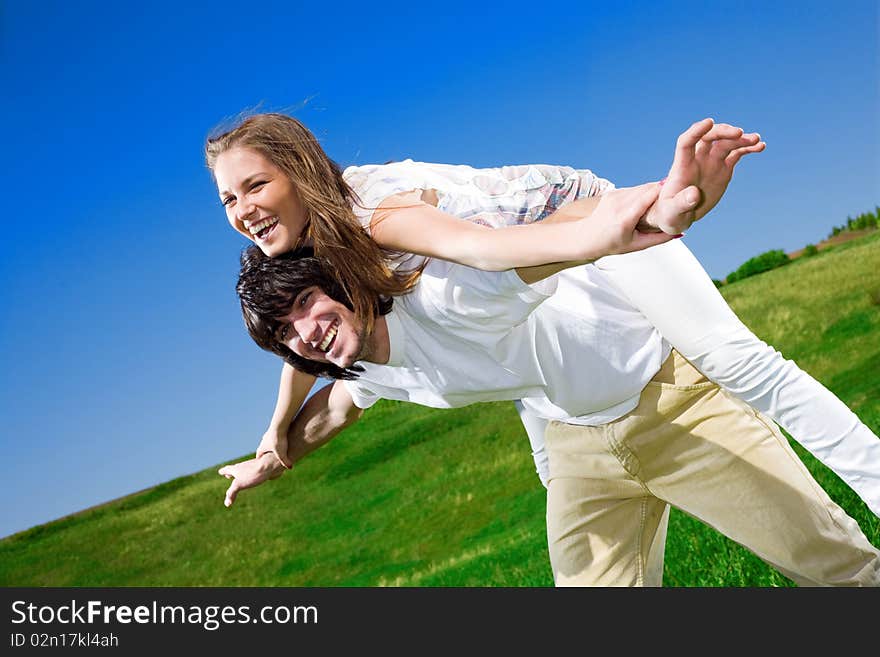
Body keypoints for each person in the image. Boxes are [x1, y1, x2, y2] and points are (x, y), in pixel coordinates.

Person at [225, 219, 880, 586]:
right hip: (578, 450)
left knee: (835, 568)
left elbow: (560, 239)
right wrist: (273, 450)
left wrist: (647, 207)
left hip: (672, 398)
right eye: (286, 330)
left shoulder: (450, 292)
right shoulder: (365, 363)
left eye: (307, 302)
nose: (305, 328)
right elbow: (339, 408)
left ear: (340, 283)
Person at [205, 113, 765, 482]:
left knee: (735, 360)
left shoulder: (371, 215)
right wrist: (275, 438)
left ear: (299, 174)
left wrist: (643, 216)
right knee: (556, 457)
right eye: (228, 198)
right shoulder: (313, 251)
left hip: (567, 212)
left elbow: (483, 251)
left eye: (255, 186)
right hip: (517, 281)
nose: (242, 209)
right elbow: (306, 343)